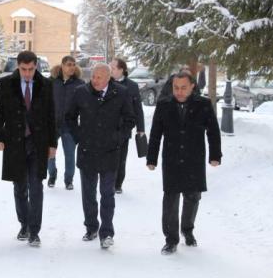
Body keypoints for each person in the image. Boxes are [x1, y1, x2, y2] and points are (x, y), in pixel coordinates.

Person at [146, 71, 222, 255]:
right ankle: (171, 239)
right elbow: (156, 133)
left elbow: (213, 131)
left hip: (193, 159)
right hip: (172, 158)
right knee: (170, 199)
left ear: (192, 87)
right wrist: (152, 158)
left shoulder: (203, 105)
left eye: (183, 88)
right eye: (175, 88)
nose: (179, 92)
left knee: (193, 197)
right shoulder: (164, 105)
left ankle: (187, 230)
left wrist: (215, 155)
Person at [66, 63, 135, 249]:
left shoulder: (120, 93)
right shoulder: (81, 92)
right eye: (93, 76)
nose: (95, 80)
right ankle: (91, 227)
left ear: (108, 78)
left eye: (99, 77)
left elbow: (130, 119)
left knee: (107, 194)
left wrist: (118, 138)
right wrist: (79, 136)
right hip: (87, 151)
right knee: (88, 194)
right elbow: (70, 117)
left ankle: (106, 233)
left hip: (110, 152)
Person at [0, 50, 57, 247]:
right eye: (23, 69)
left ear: (36, 66)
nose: (27, 73)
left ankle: (35, 231)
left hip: (38, 142)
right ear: (18, 67)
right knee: (20, 187)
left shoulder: (46, 85)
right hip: (15, 142)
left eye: (31, 69)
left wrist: (52, 144)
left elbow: (51, 116)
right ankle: (24, 224)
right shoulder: (6, 84)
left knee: (36, 187)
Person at [47, 56, 85, 190]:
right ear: (62, 66)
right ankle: (52, 175)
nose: (72, 67)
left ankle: (69, 180)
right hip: (52, 125)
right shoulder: (51, 82)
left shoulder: (80, 84)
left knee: (70, 156)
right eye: (69, 64)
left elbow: (85, 106)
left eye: (74, 64)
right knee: (49, 154)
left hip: (70, 126)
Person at [110, 58, 145, 194]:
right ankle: (108, 181)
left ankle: (118, 183)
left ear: (121, 70)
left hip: (124, 127)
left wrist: (140, 128)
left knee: (121, 157)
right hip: (107, 127)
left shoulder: (132, 86)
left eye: (113, 68)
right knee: (108, 156)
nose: (111, 69)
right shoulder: (107, 83)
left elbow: (138, 108)